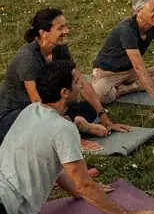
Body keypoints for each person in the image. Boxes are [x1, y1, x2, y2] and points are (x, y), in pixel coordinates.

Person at [0, 62, 154, 214]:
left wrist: (75, 192)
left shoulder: (30, 111)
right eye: (77, 82)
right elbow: (84, 184)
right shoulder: (63, 129)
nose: (81, 85)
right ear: (64, 92)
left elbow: (55, 166)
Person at [0, 8, 132, 149]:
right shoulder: (28, 59)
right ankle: (74, 127)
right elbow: (37, 106)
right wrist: (73, 140)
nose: (67, 30)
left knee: (89, 108)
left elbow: (81, 82)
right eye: (60, 28)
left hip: (45, 109)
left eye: (66, 26)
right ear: (43, 33)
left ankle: (74, 125)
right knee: (37, 131)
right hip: (15, 116)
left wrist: (105, 120)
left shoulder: (59, 47)